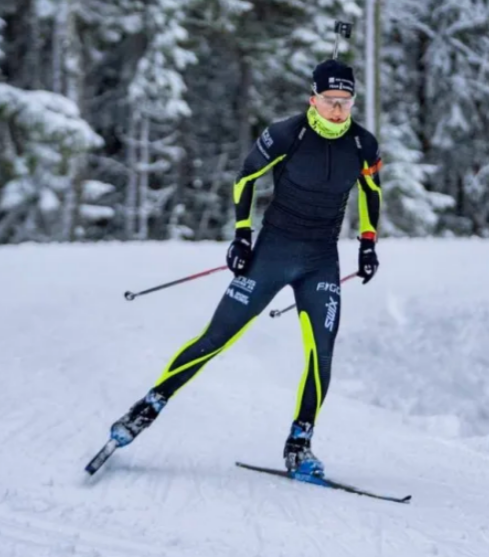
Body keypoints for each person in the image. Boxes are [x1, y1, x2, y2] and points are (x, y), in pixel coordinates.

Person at [107, 58, 383, 477]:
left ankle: (299, 445)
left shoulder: (363, 144)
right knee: (216, 339)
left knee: (320, 355)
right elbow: (246, 177)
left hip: (321, 260)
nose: (338, 110)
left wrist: (367, 244)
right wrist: (241, 234)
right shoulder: (287, 134)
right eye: (330, 100)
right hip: (272, 252)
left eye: (346, 101)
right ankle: (147, 407)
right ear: (314, 98)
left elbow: (371, 191)